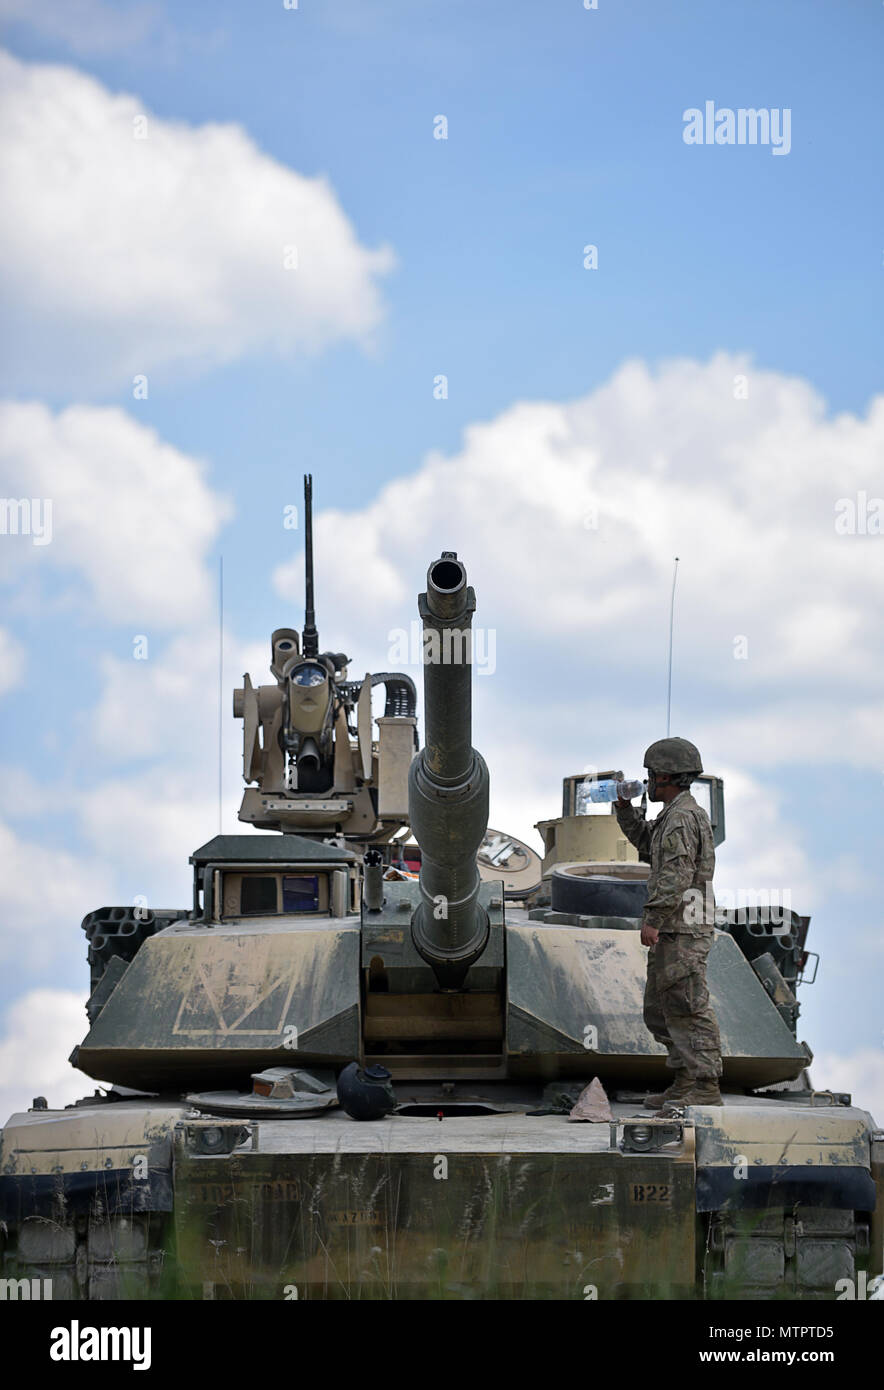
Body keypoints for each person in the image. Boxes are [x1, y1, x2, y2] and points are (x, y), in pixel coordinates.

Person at [614, 737, 723, 1112]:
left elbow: (677, 873)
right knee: (660, 1009)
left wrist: (654, 918)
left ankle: (705, 1084)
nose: (648, 783)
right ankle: (685, 1080)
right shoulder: (675, 814)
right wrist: (625, 809)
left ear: (666, 776)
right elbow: (648, 845)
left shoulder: (680, 817)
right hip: (676, 927)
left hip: (683, 927)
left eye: (651, 776)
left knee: (687, 1005)